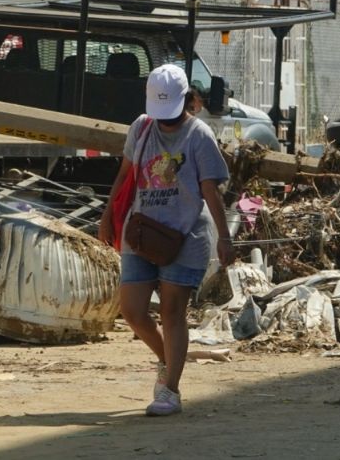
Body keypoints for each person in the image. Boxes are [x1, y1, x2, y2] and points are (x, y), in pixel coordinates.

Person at [98, 64, 235, 417]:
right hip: (141, 231)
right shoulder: (141, 128)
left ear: (188, 101)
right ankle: (167, 358)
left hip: (186, 234)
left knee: (173, 311)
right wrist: (108, 215)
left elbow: (211, 190)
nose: (166, 121)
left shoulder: (199, 135)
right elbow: (124, 174)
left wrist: (225, 237)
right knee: (131, 310)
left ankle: (170, 390)